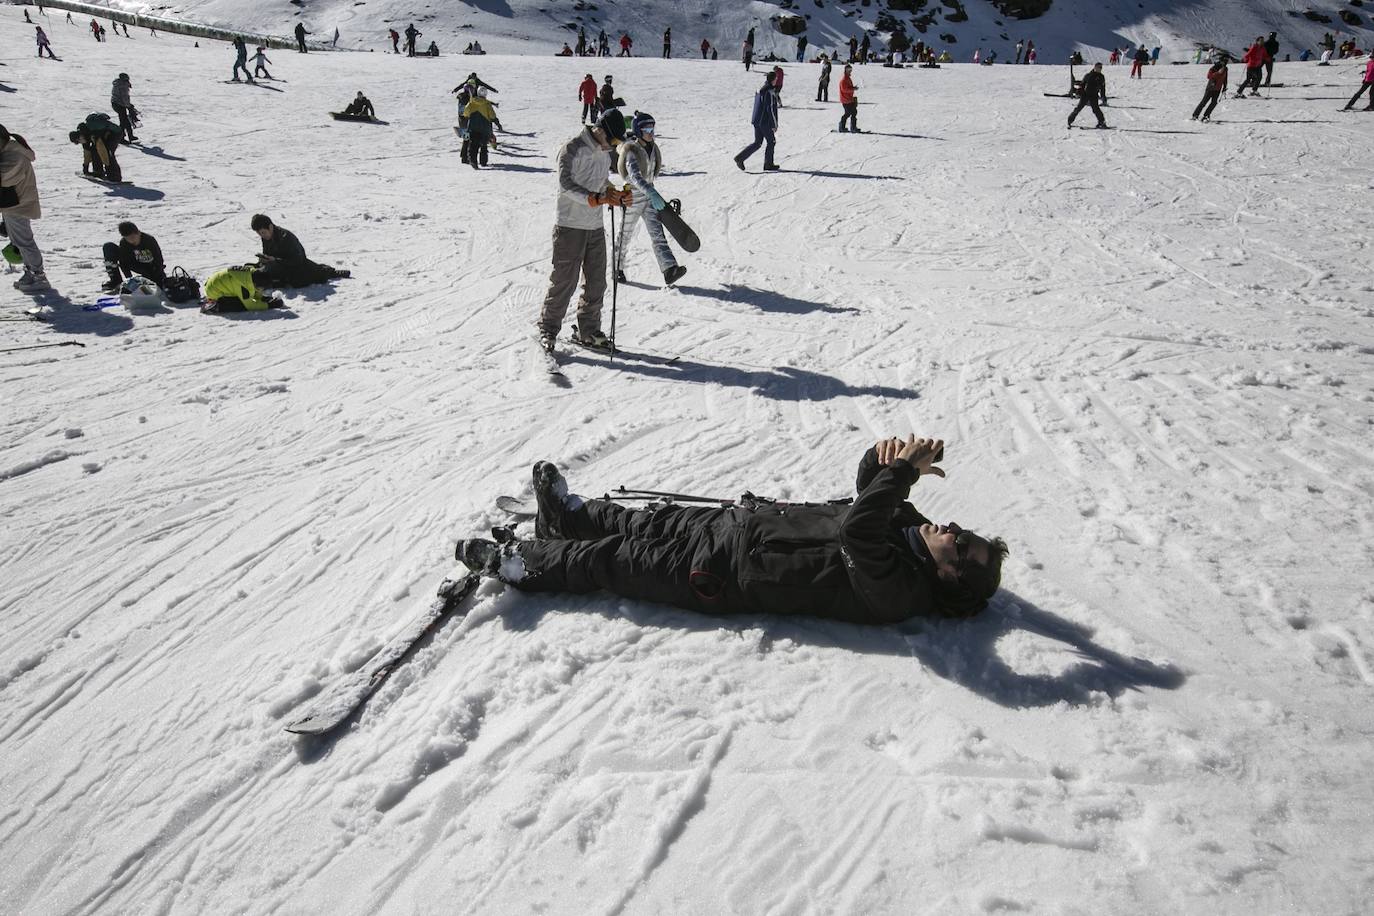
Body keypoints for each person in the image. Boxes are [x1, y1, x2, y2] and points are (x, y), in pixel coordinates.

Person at [457, 436, 1008, 626]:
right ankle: (565, 516)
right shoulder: (910, 531)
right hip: (736, 527)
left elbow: (859, 534)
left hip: (723, 575)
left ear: (949, 576)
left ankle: (522, 564)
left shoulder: (901, 593)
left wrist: (902, 475)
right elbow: (866, 496)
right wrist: (882, 459)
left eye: (961, 544)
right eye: (965, 530)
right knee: (638, 521)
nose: (954, 528)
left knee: (616, 557)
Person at [536, 110, 629, 353]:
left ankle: (588, 331)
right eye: (614, 140)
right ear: (601, 130)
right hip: (570, 226)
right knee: (564, 281)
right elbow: (565, 185)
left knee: (597, 282)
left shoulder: (604, 153)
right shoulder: (572, 148)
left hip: (595, 226)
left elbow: (601, 183)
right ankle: (548, 329)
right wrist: (596, 198)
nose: (614, 145)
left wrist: (615, 195)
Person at [615, 111, 686, 287]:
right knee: (625, 234)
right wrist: (650, 192)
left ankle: (669, 269)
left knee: (657, 233)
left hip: (649, 196)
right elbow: (634, 177)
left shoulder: (652, 148)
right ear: (638, 131)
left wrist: (652, 193)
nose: (650, 131)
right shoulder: (631, 151)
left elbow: (649, 175)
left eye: (652, 127)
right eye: (646, 128)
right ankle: (617, 268)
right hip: (633, 196)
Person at [1, 126, 48, 293]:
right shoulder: (9, 151)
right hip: (12, 205)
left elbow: (4, 179)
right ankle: (31, 273)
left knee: (24, 242)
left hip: (19, 205)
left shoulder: (13, 155)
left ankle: (39, 276)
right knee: (19, 242)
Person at [250, 214, 349, 287]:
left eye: (263, 232)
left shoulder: (286, 237)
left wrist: (275, 260)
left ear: (270, 227)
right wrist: (264, 260)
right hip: (280, 266)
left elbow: (298, 260)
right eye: (259, 234)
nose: (262, 236)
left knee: (307, 277)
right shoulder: (266, 237)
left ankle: (332, 273)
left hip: (297, 267)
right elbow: (268, 254)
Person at [734, 70, 780, 172]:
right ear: (773, 80)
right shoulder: (770, 92)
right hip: (765, 122)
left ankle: (740, 158)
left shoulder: (760, 90)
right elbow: (771, 109)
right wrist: (774, 124)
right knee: (771, 142)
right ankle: (768, 164)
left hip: (756, 120)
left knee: (757, 142)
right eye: (776, 78)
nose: (777, 80)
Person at [102, 221, 166, 292]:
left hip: (151, 267)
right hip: (136, 265)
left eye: (133, 237)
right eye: (128, 238)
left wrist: (157, 274)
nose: (132, 241)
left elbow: (159, 259)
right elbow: (124, 263)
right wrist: (129, 281)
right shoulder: (124, 243)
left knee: (159, 285)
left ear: (138, 233)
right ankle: (116, 281)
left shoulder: (149, 240)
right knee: (108, 247)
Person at [200, 267, 286, 313]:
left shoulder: (250, 276)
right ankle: (215, 306)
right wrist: (269, 306)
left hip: (218, 284)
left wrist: (263, 298)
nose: (262, 290)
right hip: (214, 291)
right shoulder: (242, 285)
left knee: (244, 298)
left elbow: (253, 291)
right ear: (256, 284)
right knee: (241, 306)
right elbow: (250, 305)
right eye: (262, 288)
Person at [74, 113, 124, 180]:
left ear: (80, 137)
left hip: (115, 133)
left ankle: (115, 176)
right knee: (94, 151)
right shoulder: (85, 135)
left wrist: (107, 166)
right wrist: (85, 167)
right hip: (104, 135)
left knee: (108, 153)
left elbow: (103, 152)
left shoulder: (94, 132)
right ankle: (98, 172)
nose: (80, 143)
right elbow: (87, 152)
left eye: (78, 141)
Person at [462, 88, 497, 169]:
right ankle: (483, 161)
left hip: (473, 127)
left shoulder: (472, 102)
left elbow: (465, 113)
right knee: (484, 145)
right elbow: (492, 116)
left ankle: (473, 161)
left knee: (473, 145)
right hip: (485, 128)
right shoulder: (487, 104)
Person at [1068, 62, 1108, 129]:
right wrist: (1078, 92)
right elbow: (1082, 84)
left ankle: (1102, 122)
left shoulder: (1101, 77)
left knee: (1096, 109)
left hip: (1094, 95)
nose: (1100, 69)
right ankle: (1070, 120)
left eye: (1101, 67)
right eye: (1099, 67)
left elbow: (1102, 88)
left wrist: (1103, 97)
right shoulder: (1089, 75)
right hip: (1085, 95)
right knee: (1079, 108)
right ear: (1095, 67)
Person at [1192, 57, 1227, 122]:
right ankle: (1195, 115)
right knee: (1204, 102)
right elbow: (1209, 76)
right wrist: (1217, 73)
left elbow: (1225, 79)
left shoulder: (1226, 69)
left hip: (1218, 89)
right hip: (1210, 88)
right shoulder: (1214, 67)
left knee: (1214, 103)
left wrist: (1224, 87)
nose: (1225, 62)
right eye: (1224, 61)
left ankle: (1206, 115)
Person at [111, 72, 139, 143]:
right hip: (119, 104)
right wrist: (129, 106)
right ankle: (121, 138)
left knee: (124, 120)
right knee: (124, 121)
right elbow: (124, 97)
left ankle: (129, 136)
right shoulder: (123, 85)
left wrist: (128, 105)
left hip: (116, 103)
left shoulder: (118, 83)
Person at [837, 63, 859, 132]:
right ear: (845, 70)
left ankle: (851, 127)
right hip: (845, 99)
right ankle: (843, 127)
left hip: (849, 99)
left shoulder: (848, 78)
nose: (850, 71)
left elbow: (848, 87)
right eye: (848, 70)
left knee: (853, 112)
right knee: (849, 113)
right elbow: (844, 89)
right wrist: (853, 89)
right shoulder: (844, 79)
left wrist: (853, 88)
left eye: (850, 70)